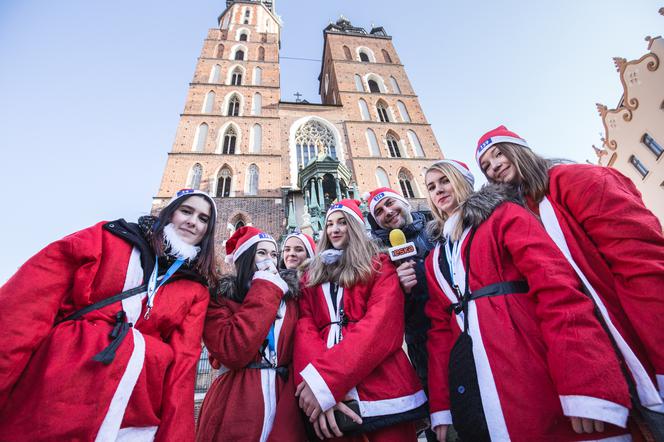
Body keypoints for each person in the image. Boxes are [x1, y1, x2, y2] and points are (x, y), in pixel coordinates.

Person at [423, 160, 632, 441]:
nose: (439, 190)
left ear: (464, 182)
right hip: (478, 382)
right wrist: (442, 407)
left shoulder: (502, 215)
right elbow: (439, 334)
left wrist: (586, 380)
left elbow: (556, 286)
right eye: (432, 187)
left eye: (445, 180)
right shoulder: (434, 259)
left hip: (532, 361)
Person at [476, 125, 664, 436]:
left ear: (520, 150)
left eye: (499, 154)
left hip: (640, 343)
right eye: (485, 166)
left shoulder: (578, 179)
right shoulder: (524, 211)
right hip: (610, 354)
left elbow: (644, 268)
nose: (494, 166)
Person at [0, 188, 218, 441]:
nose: (193, 222)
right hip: (58, 392)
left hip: (133, 415)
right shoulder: (107, 238)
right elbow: (26, 306)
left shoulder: (195, 289)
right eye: (186, 211)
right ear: (169, 213)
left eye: (203, 219)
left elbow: (183, 366)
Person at [294, 199, 427, 441]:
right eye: (330, 224)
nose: (334, 229)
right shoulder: (311, 277)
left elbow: (380, 326)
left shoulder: (380, 265)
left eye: (342, 223)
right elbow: (305, 329)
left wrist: (327, 379)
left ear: (355, 226)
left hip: (382, 387)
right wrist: (316, 385)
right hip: (328, 395)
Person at [196, 226, 306, 442]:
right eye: (261, 253)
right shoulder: (220, 298)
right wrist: (264, 287)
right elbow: (233, 350)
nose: (270, 260)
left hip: (283, 400)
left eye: (274, 254)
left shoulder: (290, 300)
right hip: (235, 401)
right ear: (246, 258)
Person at [365, 187, 436, 442]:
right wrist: (401, 289)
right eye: (380, 212)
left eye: (390, 204)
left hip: (459, 328)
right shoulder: (378, 254)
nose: (388, 212)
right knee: (439, 416)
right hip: (421, 340)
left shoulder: (434, 228)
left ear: (404, 202)